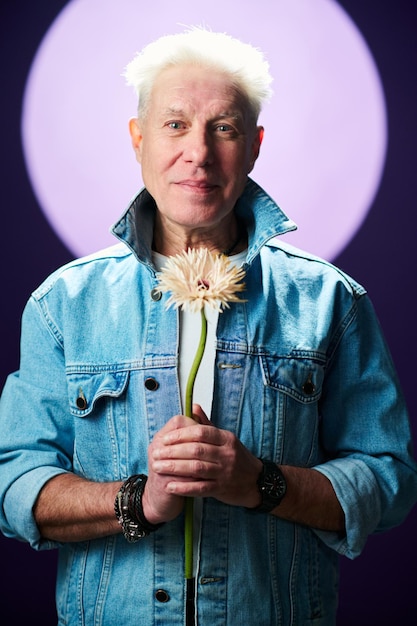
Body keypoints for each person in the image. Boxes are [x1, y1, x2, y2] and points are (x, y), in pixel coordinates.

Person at [0, 27, 416, 626]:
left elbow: (389, 480)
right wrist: (138, 501)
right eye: (174, 125)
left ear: (254, 146)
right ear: (137, 139)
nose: (198, 153)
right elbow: (14, 482)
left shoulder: (331, 302)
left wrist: (261, 483)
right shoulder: (61, 305)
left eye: (223, 128)